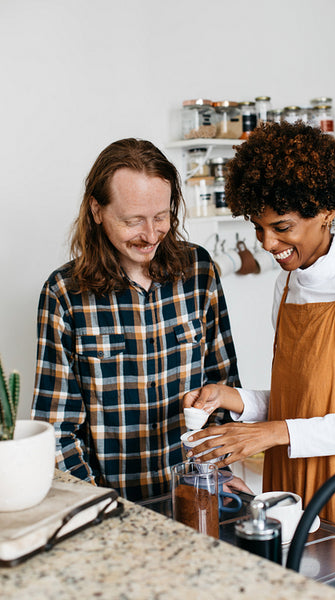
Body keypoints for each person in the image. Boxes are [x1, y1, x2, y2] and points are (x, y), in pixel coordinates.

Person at [183, 121, 335, 538]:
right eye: (257, 227)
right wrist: (235, 399)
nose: (266, 243)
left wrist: (273, 432)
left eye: (281, 227)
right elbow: (305, 399)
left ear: (325, 212)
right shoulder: (286, 284)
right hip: (293, 490)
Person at [32, 137, 240, 502]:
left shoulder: (199, 271)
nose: (150, 234)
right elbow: (57, 431)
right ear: (97, 210)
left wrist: (218, 470)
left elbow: (223, 386)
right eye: (133, 221)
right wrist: (102, 508)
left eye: (161, 217)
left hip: (198, 493)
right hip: (110, 507)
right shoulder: (64, 294)